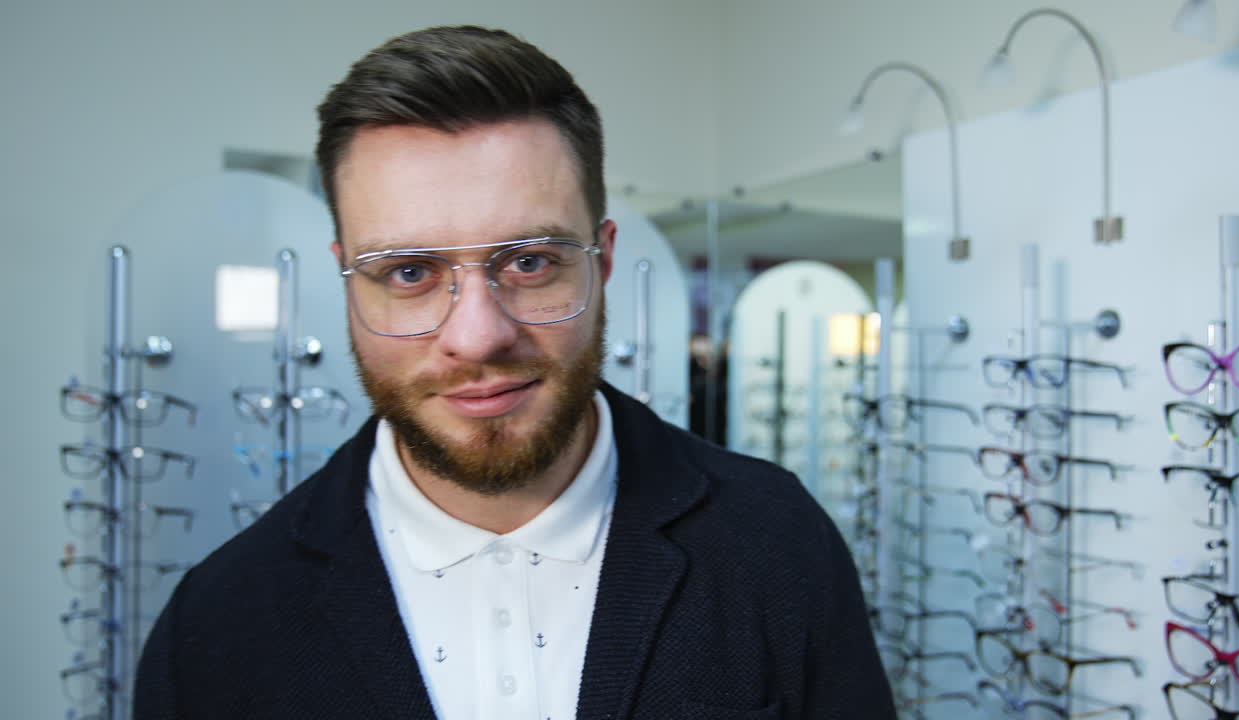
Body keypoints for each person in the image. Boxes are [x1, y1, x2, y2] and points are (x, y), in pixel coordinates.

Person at [134, 25, 895, 719]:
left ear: (605, 260)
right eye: (407, 272)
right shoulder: (218, 622)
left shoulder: (776, 542)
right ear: (346, 280)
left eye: (530, 262)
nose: (478, 336)